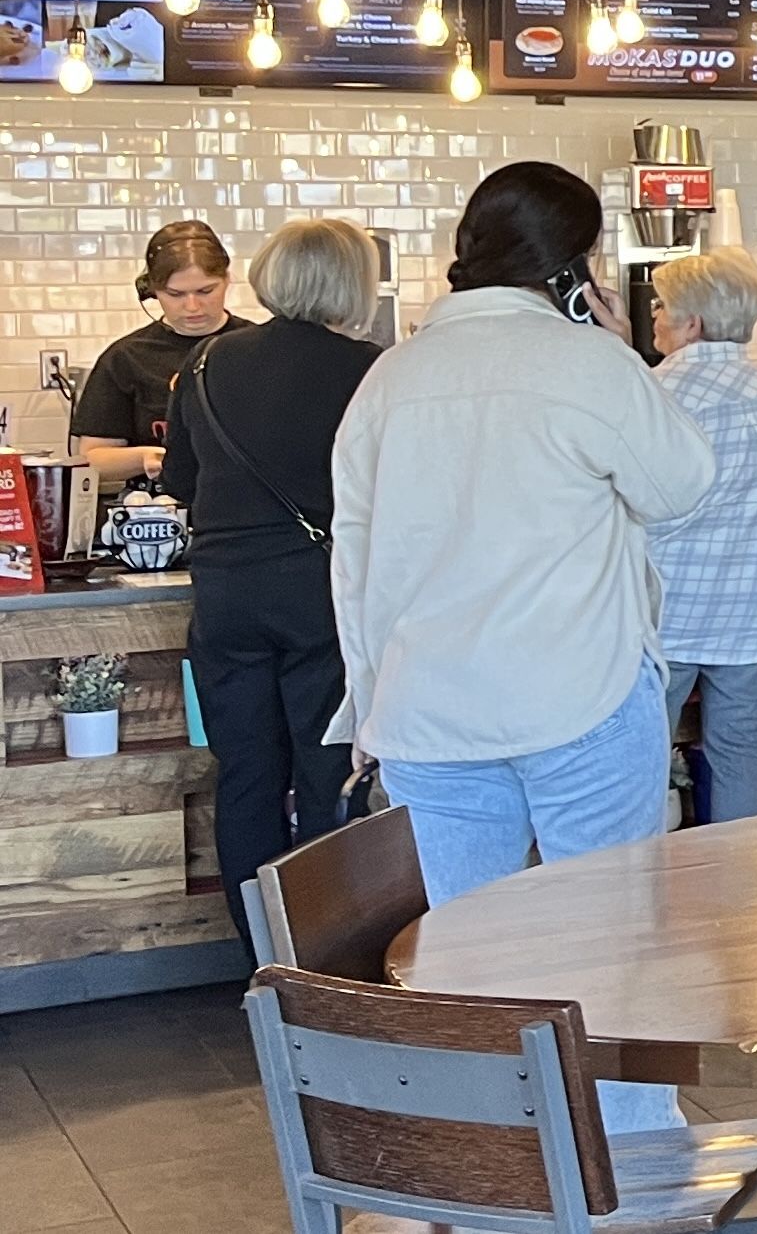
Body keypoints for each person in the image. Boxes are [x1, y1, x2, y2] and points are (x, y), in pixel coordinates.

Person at [331, 161, 714, 1026]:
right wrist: (625, 357)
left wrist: (367, 706)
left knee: (462, 961)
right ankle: (626, 1147)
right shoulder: (585, 363)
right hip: (579, 692)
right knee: (609, 951)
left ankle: (502, 1158)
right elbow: (681, 483)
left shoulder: (389, 377)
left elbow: (354, 562)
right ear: (573, 266)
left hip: (427, 710)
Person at [159, 217, 380, 950]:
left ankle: (258, 950)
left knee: (245, 770)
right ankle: (320, 946)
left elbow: (181, 482)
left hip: (223, 593)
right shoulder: (370, 368)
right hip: (318, 592)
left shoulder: (202, 365)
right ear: (349, 282)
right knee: (324, 769)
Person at [644, 248, 757, 822]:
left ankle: (635, 888)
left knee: (640, 759)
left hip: (663, 615)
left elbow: (629, 499)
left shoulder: (652, 391)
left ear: (691, 323)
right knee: (741, 749)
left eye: (662, 306)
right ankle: (741, 889)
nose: (654, 315)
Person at [74, 220, 247, 487]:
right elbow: (92, 459)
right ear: (152, 292)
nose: (192, 306)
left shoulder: (259, 347)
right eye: (175, 294)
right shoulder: (126, 357)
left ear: (227, 280)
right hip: (155, 513)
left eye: (206, 291)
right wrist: (148, 457)